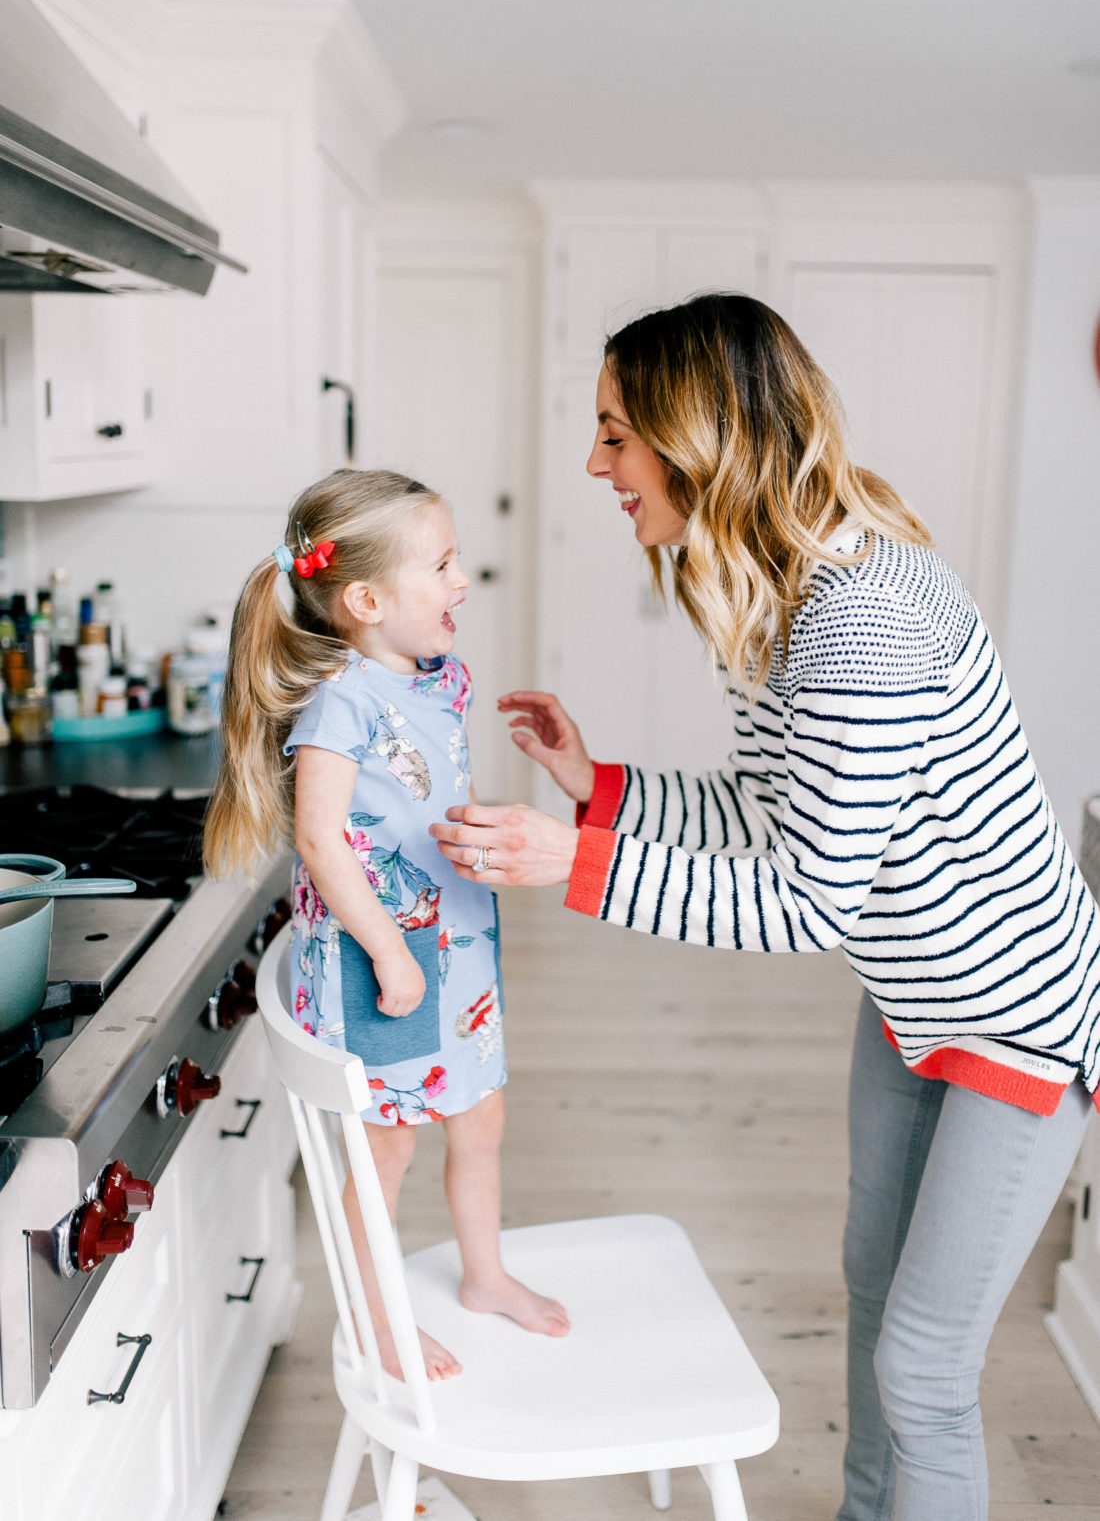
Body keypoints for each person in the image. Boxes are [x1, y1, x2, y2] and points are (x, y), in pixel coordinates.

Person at [430, 295, 1100, 1520]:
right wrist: (599, 793)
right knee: (866, 1283)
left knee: (923, 1366)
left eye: (615, 433)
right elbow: (772, 816)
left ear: (699, 436)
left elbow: (806, 903)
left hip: (1013, 1019)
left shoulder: (859, 616)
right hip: (910, 998)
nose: (595, 464)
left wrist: (566, 864)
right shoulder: (770, 591)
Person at [204, 468, 569, 1383]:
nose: (459, 582)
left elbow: (416, 796)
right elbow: (322, 841)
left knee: (480, 1119)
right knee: (390, 1145)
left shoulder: (431, 679)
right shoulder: (340, 703)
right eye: (441, 565)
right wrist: (391, 951)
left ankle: (483, 1276)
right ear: (365, 599)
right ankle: (373, 1321)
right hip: (386, 962)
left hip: (457, 950)